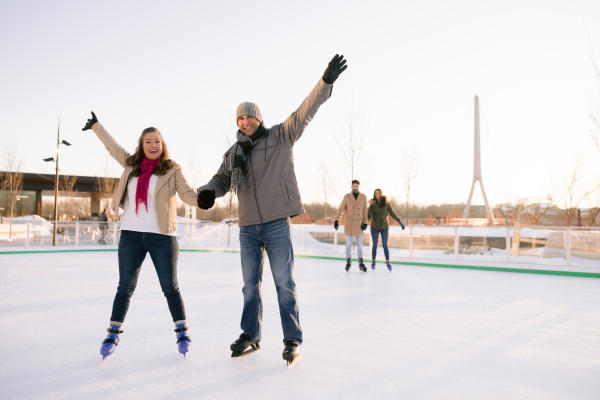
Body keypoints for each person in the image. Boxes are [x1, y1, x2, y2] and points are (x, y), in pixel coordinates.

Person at [197, 54, 347, 365]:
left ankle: (292, 339)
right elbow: (222, 178)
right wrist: (208, 192)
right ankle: (250, 334)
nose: (244, 122)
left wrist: (325, 82)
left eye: (249, 117)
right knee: (250, 285)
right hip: (248, 226)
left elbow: (305, 111)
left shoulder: (280, 136)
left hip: (277, 223)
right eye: (240, 119)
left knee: (284, 283)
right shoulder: (234, 152)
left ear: (259, 118)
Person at [82, 112, 199, 359]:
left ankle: (182, 331)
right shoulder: (131, 165)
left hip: (162, 237)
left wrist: (204, 197)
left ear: (162, 144)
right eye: (148, 141)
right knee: (124, 287)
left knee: (170, 286)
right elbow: (113, 148)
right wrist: (96, 126)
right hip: (131, 236)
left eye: (157, 141)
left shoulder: (172, 170)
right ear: (142, 145)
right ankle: (113, 333)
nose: (153, 145)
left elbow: (188, 194)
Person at [334, 180, 368, 272]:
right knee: (348, 245)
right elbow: (340, 209)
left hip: (359, 225)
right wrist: (337, 220)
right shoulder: (347, 197)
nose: (355, 188)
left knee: (360, 246)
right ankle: (348, 262)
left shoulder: (363, 197)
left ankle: (361, 263)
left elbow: (365, 211)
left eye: (357, 186)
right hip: (349, 225)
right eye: (354, 186)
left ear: (359, 187)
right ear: (351, 187)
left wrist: (365, 222)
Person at [368, 188, 405, 271]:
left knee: (385, 245)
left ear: (381, 194)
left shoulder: (386, 203)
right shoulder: (372, 204)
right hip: (374, 227)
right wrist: (364, 223)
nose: (377, 195)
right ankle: (373, 261)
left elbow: (392, 213)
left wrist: (399, 221)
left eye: (378, 193)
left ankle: (388, 262)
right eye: (375, 193)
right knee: (374, 245)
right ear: (374, 195)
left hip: (384, 227)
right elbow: (368, 215)